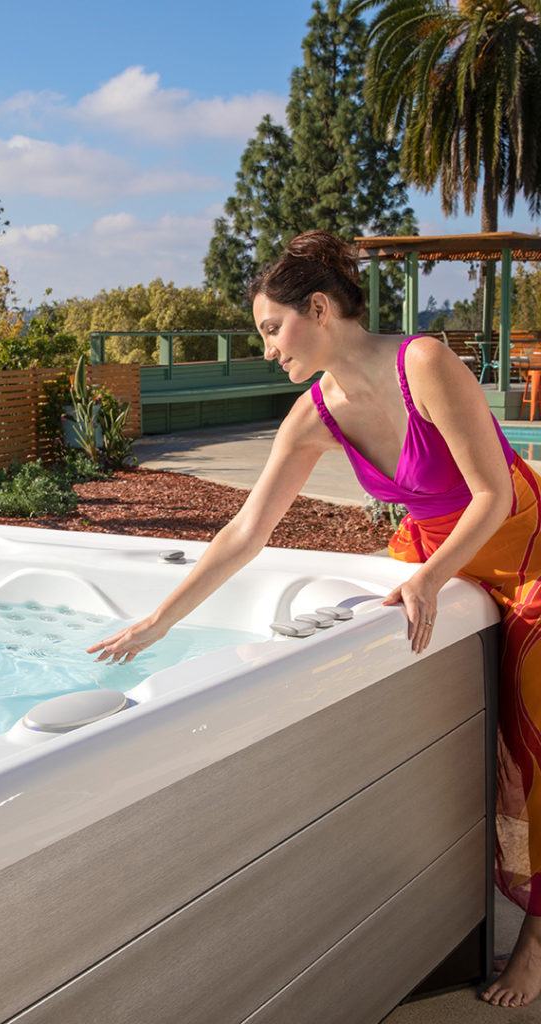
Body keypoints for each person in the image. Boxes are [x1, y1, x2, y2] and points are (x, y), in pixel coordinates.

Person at [85, 230, 541, 1009]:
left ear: (320, 309)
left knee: (532, 718)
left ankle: (534, 935)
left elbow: (493, 491)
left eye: (270, 328)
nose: (266, 350)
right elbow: (246, 532)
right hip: (428, 550)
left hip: (519, 542)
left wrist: (429, 579)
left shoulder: (423, 362)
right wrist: (158, 621)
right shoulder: (314, 412)